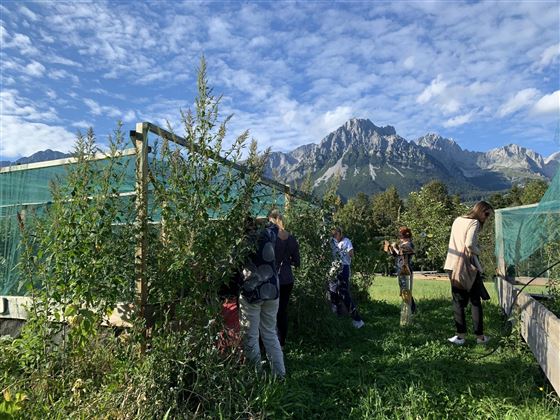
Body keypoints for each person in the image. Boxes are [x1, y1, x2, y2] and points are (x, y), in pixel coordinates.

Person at [238, 216, 286, 378]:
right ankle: (279, 374)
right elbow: (274, 225)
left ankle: (255, 376)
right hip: (272, 289)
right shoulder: (268, 234)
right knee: (270, 333)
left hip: (252, 292)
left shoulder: (242, 243)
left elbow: (231, 262)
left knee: (251, 335)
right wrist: (262, 221)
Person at [444, 201, 494, 345]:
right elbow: (469, 244)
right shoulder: (474, 223)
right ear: (481, 211)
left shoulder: (458, 220)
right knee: (475, 301)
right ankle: (480, 337)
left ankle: (460, 337)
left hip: (452, 265)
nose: (487, 217)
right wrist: (479, 251)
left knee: (458, 301)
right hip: (467, 267)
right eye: (487, 214)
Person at [268, 209, 300, 348]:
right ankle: (282, 342)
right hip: (288, 279)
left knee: (270, 311)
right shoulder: (292, 238)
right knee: (283, 311)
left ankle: (271, 341)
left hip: (273, 278)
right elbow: (297, 262)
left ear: (272, 220)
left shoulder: (271, 238)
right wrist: (288, 261)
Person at [329, 227, 365, 329]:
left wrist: (343, 253)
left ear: (340, 233)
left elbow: (351, 254)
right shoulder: (331, 242)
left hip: (343, 268)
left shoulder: (346, 241)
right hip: (332, 269)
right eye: (333, 234)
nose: (334, 236)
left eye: (336, 234)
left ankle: (357, 320)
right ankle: (337, 319)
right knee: (333, 294)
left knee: (344, 294)